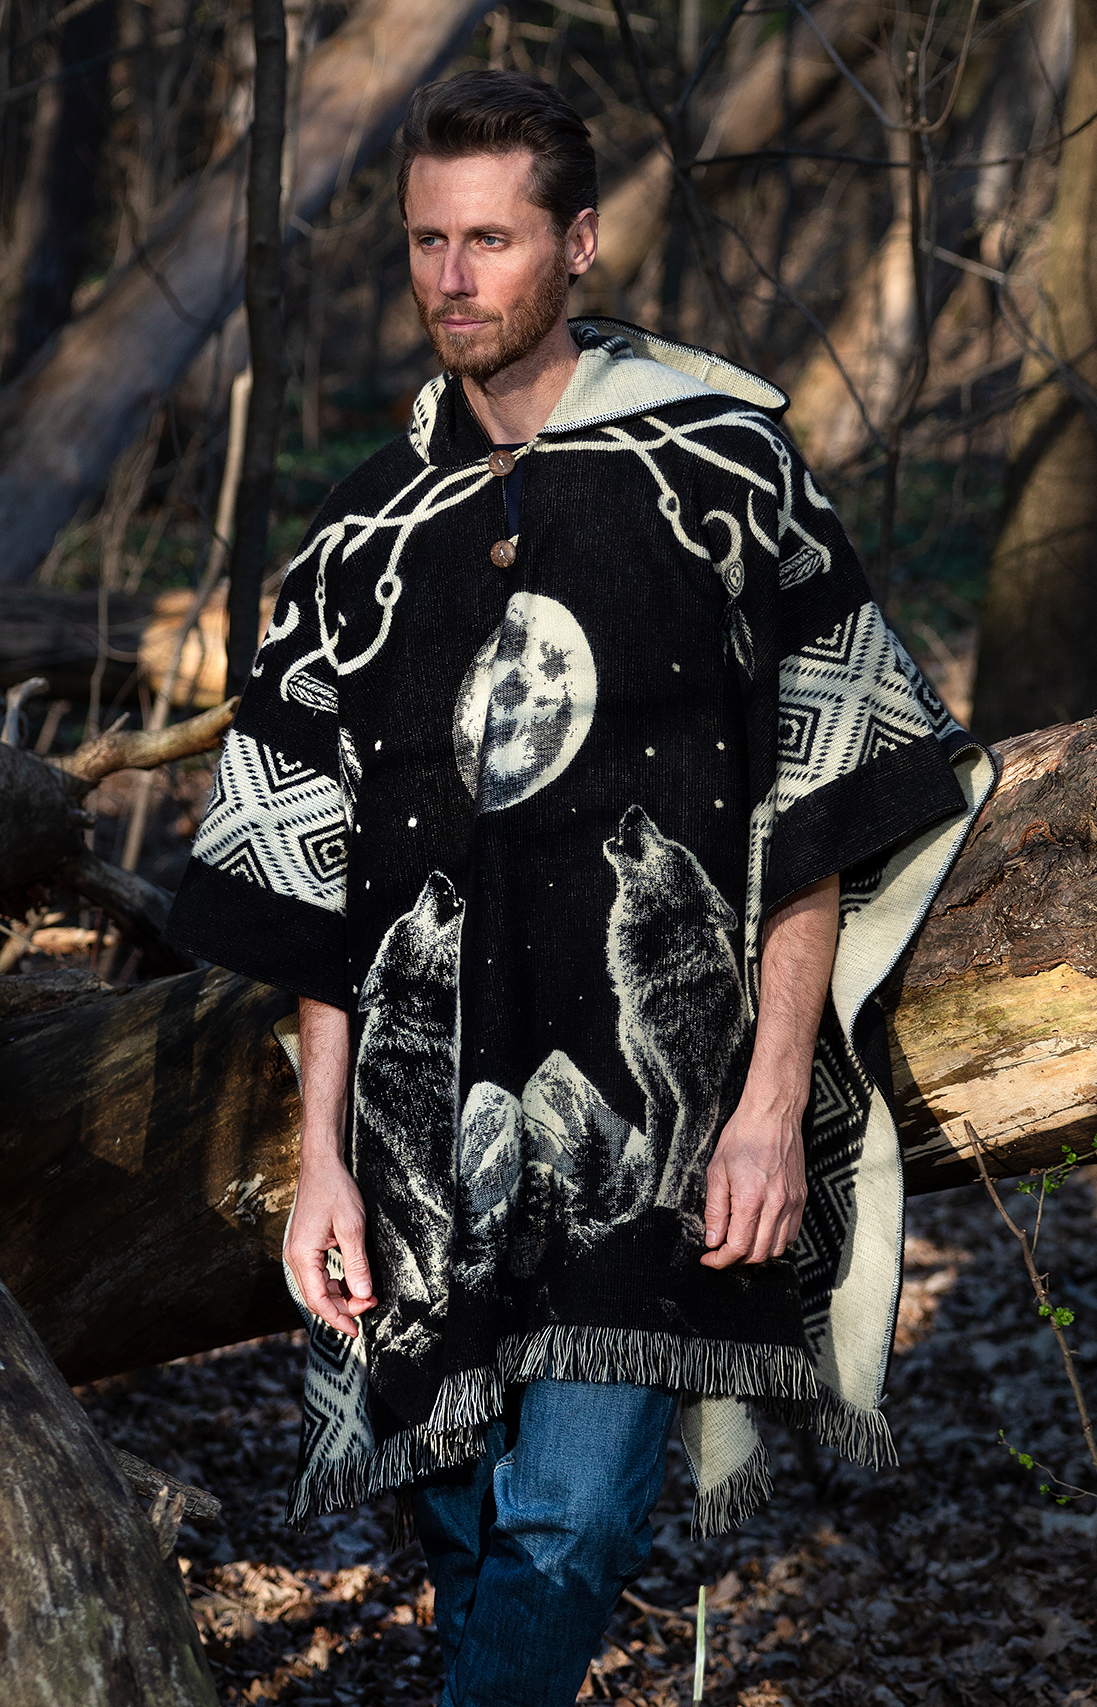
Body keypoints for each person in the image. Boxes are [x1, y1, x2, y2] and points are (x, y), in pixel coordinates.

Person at [166, 69, 994, 1707]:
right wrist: (319, 1161)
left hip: (654, 1130)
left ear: (582, 243)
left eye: (491, 239)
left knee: (569, 1526)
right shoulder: (365, 529)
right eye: (428, 240)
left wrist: (771, 1106)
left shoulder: (727, 474)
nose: (452, 277)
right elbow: (313, 880)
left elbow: (821, 801)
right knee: (468, 1534)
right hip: (419, 1148)